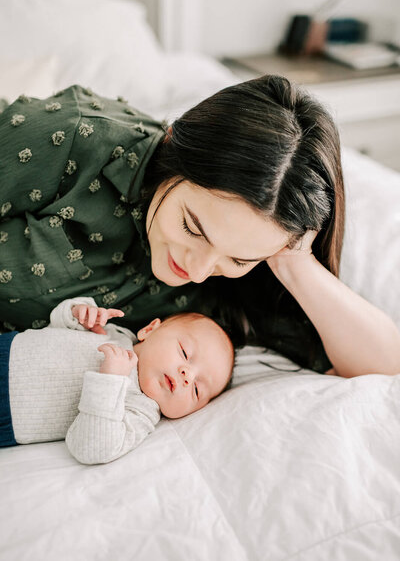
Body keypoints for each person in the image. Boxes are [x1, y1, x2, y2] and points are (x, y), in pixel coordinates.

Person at [0, 77, 399, 379]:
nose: (198, 270)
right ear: (173, 148)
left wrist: (294, 263)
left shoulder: (243, 279)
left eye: (238, 257)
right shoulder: (72, 136)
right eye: (193, 228)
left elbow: (386, 367)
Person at [0, 297, 234, 464]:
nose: (187, 375)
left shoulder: (141, 412)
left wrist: (110, 380)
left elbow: (90, 448)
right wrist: (78, 314)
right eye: (184, 352)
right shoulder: (116, 334)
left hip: (8, 411)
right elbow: (55, 327)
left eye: (196, 390)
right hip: (8, 346)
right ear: (150, 330)